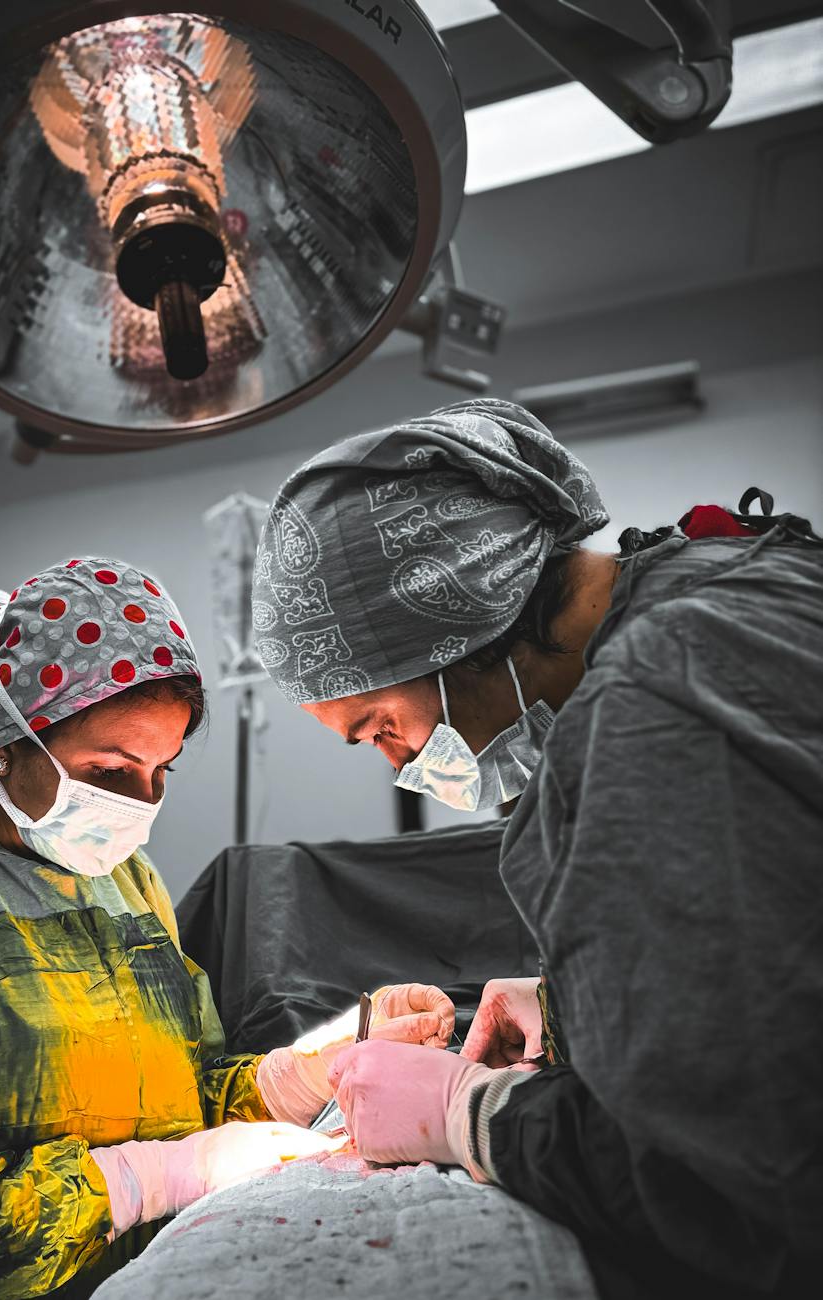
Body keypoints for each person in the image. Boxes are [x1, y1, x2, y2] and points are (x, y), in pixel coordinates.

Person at [0, 555, 455, 1300]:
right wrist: (146, 1180)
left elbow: (182, 1104)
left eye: (162, 771)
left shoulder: (128, 883)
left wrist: (311, 1073)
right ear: (2, 743)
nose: (142, 802)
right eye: (111, 771)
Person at [250, 399, 823, 1298]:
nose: (400, 764)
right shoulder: (728, 579)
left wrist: (473, 1116)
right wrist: (582, 1003)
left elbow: (747, 1179)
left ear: (455, 623)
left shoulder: (650, 710)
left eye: (382, 725)